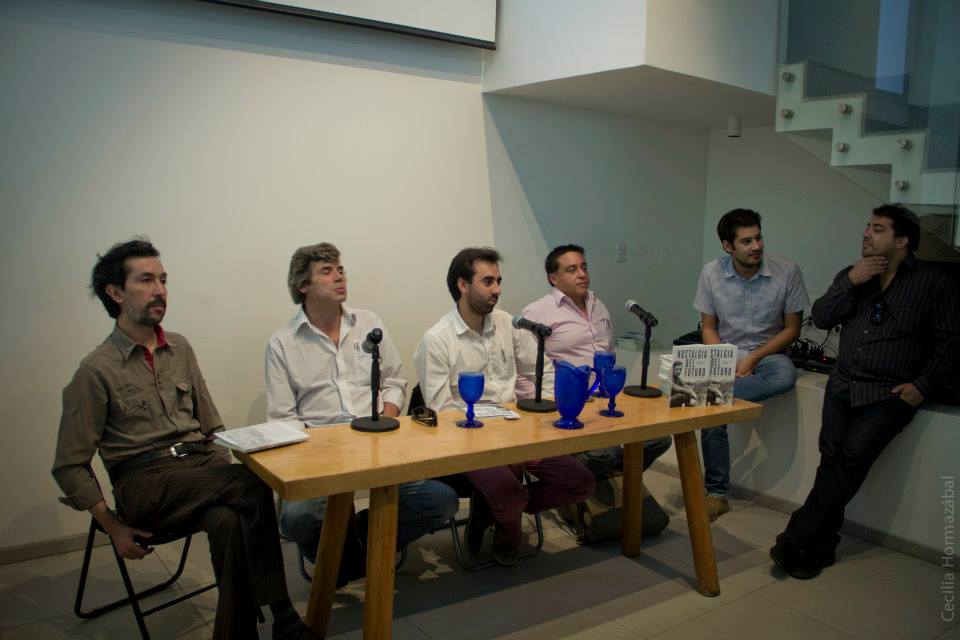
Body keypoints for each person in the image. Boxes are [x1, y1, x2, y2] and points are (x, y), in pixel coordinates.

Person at [52, 239, 318, 640]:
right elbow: (69, 465)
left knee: (228, 519)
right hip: (144, 483)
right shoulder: (96, 370)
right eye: (146, 280)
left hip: (200, 470)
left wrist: (218, 465)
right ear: (116, 292)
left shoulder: (180, 348)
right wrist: (112, 526)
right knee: (252, 482)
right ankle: (284, 616)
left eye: (163, 280)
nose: (160, 290)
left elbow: (212, 426)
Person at [771, 205, 960, 579]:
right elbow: (822, 316)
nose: (866, 234)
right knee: (833, 464)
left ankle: (795, 538)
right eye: (867, 226)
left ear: (901, 241)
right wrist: (851, 281)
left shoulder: (934, 282)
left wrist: (923, 385)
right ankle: (821, 548)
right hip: (843, 385)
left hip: (889, 395)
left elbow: (951, 340)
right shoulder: (854, 274)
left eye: (878, 228)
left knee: (848, 462)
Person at [265, 243, 458, 579]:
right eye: (327, 271)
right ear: (303, 285)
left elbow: (395, 381)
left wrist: (386, 417)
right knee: (297, 519)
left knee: (441, 501)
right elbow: (284, 419)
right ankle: (353, 559)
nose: (339, 276)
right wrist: (320, 451)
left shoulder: (369, 323)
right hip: (320, 454)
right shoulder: (282, 344)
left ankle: (353, 547)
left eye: (340, 269)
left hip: (378, 443)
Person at [414, 247, 595, 566]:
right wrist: (497, 440)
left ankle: (496, 511)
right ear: (463, 285)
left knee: (581, 483)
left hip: (517, 432)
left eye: (499, 281)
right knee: (508, 492)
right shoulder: (437, 339)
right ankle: (505, 514)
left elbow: (542, 372)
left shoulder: (508, 324)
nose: (497, 289)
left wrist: (546, 413)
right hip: (469, 441)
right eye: (488, 281)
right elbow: (441, 411)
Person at [694, 208, 810, 521]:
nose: (756, 246)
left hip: (768, 353)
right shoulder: (711, 273)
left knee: (783, 375)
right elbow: (708, 327)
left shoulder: (787, 271)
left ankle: (713, 395)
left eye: (758, 238)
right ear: (727, 246)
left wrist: (753, 357)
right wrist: (723, 361)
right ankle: (717, 493)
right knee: (713, 412)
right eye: (746, 241)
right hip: (725, 351)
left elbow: (792, 330)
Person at [517, 244, 672, 477]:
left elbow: (607, 352)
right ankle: (582, 481)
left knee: (659, 439)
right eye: (572, 269)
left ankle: (598, 476)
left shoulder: (599, 306)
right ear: (553, 278)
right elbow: (523, 371)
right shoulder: (537, 312)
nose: (582, 274)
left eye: (584, 267)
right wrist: (547, 405)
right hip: (566, 405)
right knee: (605, 453)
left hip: (604, 400)